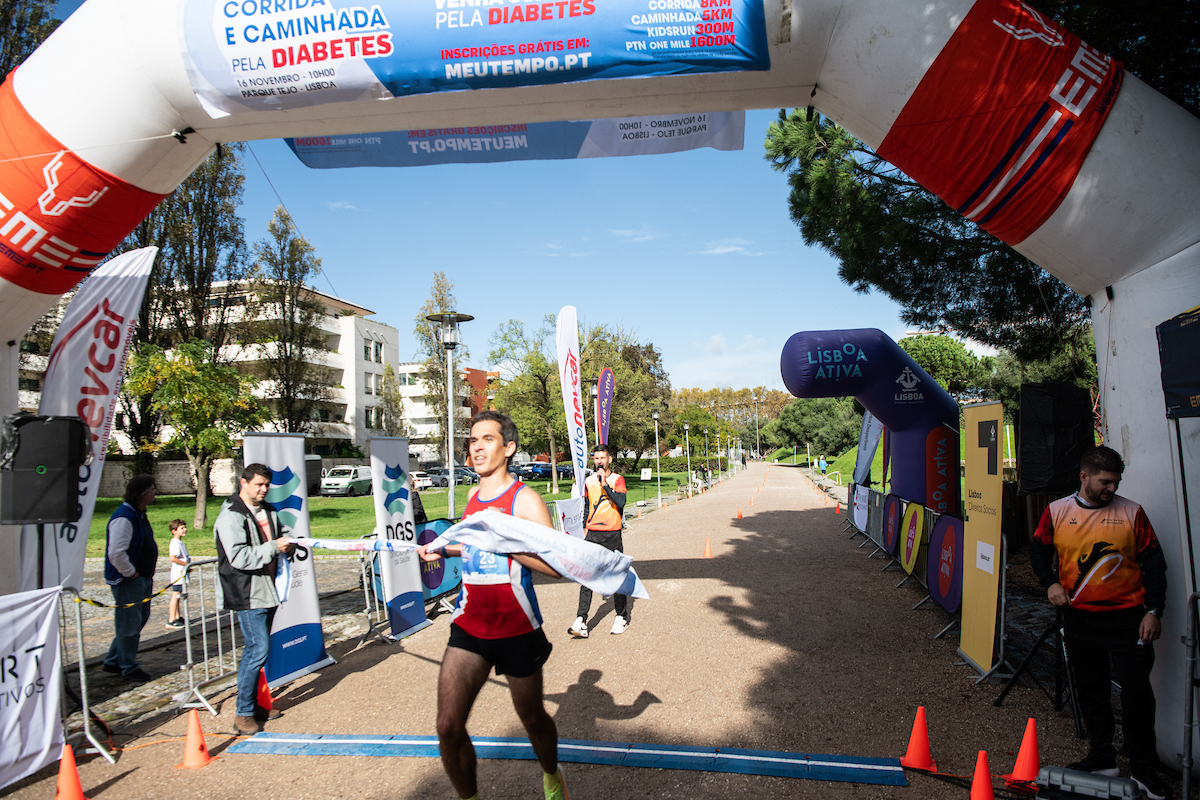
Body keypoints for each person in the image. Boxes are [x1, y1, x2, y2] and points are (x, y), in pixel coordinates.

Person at [416, 410, 570, 800]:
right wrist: (443, 549)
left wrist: (504, 543)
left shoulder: (525, 500)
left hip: (517, 627)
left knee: (532, 718)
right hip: (470, 624)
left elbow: (555, 566)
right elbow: (473, 545)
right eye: (473, 440)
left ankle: (552, 776)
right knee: (448, 726)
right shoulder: (472, 497)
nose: (477, 447)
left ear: (509, 447)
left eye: (487, 439)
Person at [1029, 446, 1169, 800]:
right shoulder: (1057, 511)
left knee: (1136, 691)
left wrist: (1154, 610)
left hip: (1129, 619)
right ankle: (1102, 757)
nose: (1111, 488)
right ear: (1084, 477)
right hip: (1080, 618)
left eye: (1116, 482)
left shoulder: (1132, 512)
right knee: (1091, 688)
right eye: (1105, 482)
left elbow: (1154, 563)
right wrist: (1050, 583)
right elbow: (1038, 551)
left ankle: (1144, 769)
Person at [214, 463, 294, 735]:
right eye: (259, 484)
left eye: (267, 485)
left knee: (260, 650)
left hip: (269, 589)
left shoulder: (269, 510)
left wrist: (288, 543)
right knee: (256, 650)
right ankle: (243, 713)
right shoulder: (231, 515)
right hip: (247, 592)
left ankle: (258, 705)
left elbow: (281, 534)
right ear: (244, 483)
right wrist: (274, 547)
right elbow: (238, 557)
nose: (263, 489)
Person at [568, 444, 629, 639]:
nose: (599, 461)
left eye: (602, 458)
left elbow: (621, 502)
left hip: (612, 534)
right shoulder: (588, 481)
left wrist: (605, 486)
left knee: (616, 575)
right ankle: (581, 619)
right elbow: (587, 504)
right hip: (593, 533)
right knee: (587, 576)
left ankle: (621, 616)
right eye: (596, 458)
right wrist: (585, 526)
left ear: (609, 459)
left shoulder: (617, 479)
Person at [101, 474, 159, 683]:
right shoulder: (124, 517)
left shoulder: (138, 514)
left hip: (142, 576)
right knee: (129, 624)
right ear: (144, 494)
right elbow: (116, 552)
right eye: (152, 490)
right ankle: (127, 665)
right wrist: (130, 573)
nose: (155, 493)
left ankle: (114, 659)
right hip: (129, 580)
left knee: (138, 618)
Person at [165, 518, 190, 629]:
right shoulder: (175, 543)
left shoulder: (179, 542)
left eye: (185, 527)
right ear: (174, 531)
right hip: (178, 575)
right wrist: (185, 564)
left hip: (182, 575)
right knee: (175, 596)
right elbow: (173, 558)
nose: (185, 530)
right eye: (182, 528)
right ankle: (171, 619)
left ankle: (177, 616)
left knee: (179, 595)